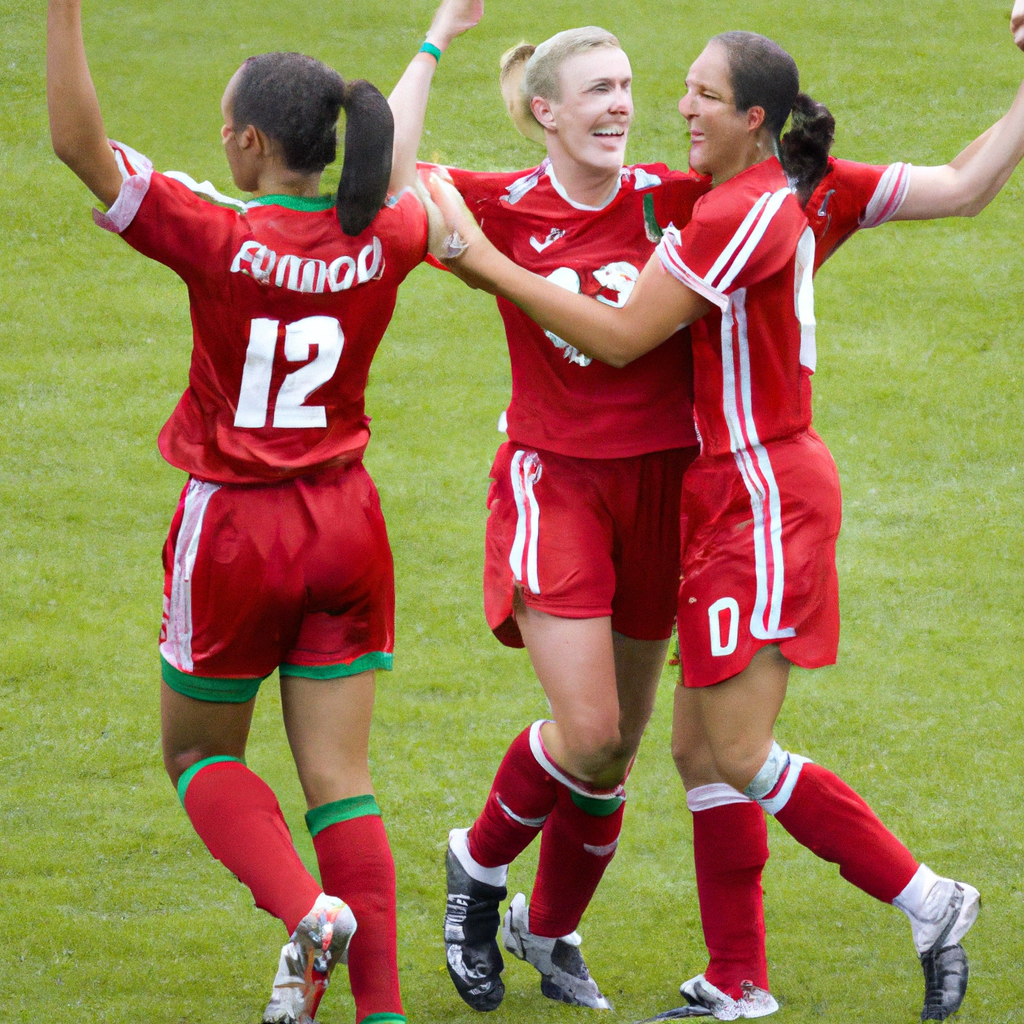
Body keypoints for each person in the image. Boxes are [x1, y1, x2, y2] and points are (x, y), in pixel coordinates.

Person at [426, 30, 981, 1022]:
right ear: (548, 110)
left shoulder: (721, 209)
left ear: (751, 119)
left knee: (720, 748)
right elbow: (965, 183)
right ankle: (731, 976)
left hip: (750, 494)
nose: (668, 108)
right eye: (643, 87)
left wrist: (476, 264)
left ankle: (926, 898)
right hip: (698, 491)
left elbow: (625, 332)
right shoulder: (800, 184)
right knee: (674, 746)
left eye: (694, 93)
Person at [45, 2, 474, 1022]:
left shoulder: (219, 235)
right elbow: (404, 176)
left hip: (236, 531)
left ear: (247, 142)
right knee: (341, 776)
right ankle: (383, 1012)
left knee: (200, 754)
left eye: (222, 123)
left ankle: (304, 910)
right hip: (347, 526)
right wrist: (434, 41)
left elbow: (76, 144)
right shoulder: (391, 231)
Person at [389, 25, 711, 1011]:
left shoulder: (669, 196)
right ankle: (478, 870)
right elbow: (384, 172)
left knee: (615, 749)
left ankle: (553, 928)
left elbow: (780, 188)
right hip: (556, 481)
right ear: (545, 112)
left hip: (663, 484)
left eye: (627, 85)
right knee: (589, 727)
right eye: (598, 90)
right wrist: (440, 35)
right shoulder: (498, 204)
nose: (622, 104)